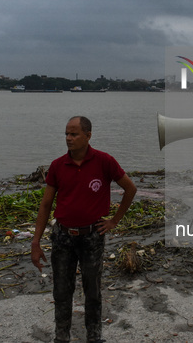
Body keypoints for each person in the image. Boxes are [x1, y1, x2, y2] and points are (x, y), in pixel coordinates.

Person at [31, 116, 137, 343]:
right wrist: (36, 242)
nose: (68, 138)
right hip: (62, 237)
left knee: (93, 292)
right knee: (61, 292)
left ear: (88, 136)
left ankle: (94, 337)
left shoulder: (104, 161)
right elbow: (46, 204)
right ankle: (61, 337)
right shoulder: (58, 165)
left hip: (92, 237)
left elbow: (130, 188)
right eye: (66, 134)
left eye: (74, 134)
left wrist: (114, 221)